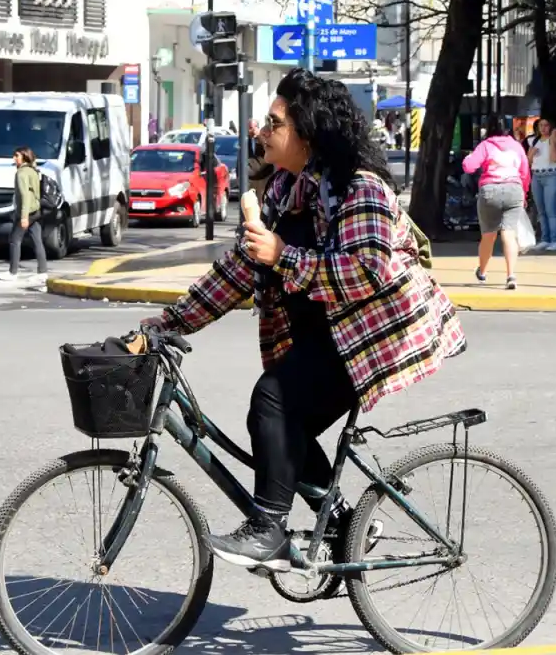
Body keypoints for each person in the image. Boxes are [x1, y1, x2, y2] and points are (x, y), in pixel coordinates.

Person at [140, 69, 467, 570]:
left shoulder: (362, 190)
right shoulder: (286, 189)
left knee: (273, 400)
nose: (261, 132)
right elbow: (240, 268)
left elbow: (366, 272)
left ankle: (268, 528)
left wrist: (283, 255)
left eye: (274, 123)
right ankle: (341, 524)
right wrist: (170, 322)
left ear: (306, 133)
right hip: (326, 334)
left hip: (374, 338)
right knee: (273, 418)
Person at [463, 115, 530, 290]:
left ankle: (483, 272)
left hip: (490, 190)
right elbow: (525, 172)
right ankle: (511, 275)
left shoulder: (485, 146)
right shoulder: (516, 146)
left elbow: (469, 167)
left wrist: (468, 157)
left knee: (488, 235)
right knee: (509, 233)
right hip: (514, 190)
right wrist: (525, 193)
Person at [0, 146, 48, 281]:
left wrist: (24, 216)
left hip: (26, 211)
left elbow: (25, 195)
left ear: (24, 157)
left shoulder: (21, 173)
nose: (14, 158)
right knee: (37, 241)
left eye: (17, 156)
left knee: (14, 240)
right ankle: (42, 272)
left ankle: (13, 272)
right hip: (36, 210)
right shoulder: (33, 171)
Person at [527, 118, 556, 251]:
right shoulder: (533, 140)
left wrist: (553, 141)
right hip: (537, 175)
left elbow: (554, 158)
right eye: (540, 125)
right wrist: (531, 154)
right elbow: (528, 161)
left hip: (552, 175)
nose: (543, 128)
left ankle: (555, 240)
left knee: (551, 209)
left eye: (546, 125)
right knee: (541, 210)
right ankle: (545, 238)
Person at [245, 118, 275, 202]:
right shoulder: (246, 140)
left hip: (263, 177)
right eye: (248, 128)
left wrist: (259, 137)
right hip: (250, 178)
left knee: (262, 202)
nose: (249, 130)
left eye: (251, 128)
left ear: (257, 127)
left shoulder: (263, 138)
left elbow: (269, 150)